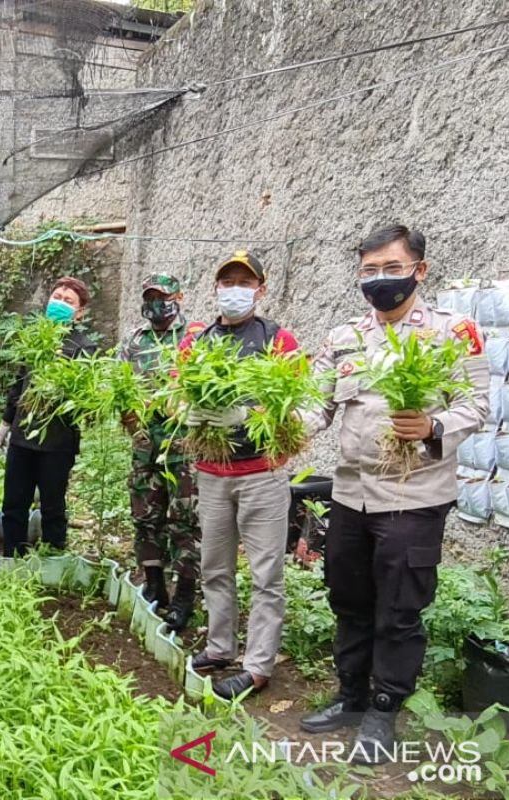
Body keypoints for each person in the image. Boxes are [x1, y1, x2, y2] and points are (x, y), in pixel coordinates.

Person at [299, 225, 489, 763]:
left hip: (414, 496)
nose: (379, 280)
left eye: (391, 268)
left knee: (400, 607)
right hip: (351, 494)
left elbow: (476, 406)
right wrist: (280, 429)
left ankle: (384, 712)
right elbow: (317, 405)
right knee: (348, 598)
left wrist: (431, 426)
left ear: (419, 271)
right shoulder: (343, 338)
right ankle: (350, 698)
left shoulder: (456, 333)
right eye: (369, 270)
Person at [179, 251, 299, 700]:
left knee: (267, 572)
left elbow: (293, 403)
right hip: (212, 473)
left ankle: (259, 666)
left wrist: (244, 414)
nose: (234, 288)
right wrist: (191, 412)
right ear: (216, 288)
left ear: (260, 290)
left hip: (262, 473)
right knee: (215, 566)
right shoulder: (198, 342)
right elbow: (177, 393)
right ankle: (219, 646)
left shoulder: (277, 340)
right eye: (227, 280)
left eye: (244, 282)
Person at [118, 273, 203, 632]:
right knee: (145, 515)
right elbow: (119, 389)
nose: (156, 303)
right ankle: (154, 586)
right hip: (145, 445)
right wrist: (132, 426)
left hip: (183, 445)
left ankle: (184, 594)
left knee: (184, 520)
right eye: (150, 296)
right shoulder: (134, 341)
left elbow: (204, 388)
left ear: (178, 297)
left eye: (163, 296)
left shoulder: (195, 338)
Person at [0, 277, 96, 557]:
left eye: (68, 301)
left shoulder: (83, 348)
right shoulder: (36, 339)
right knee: (14, 502)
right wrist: (6, 422)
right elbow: (19, 383)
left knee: (52, 505)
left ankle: (54, 559)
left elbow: (85, 397)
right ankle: (12, 556)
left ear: (79, 313)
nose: (59, 303)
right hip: (22, 437)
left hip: (58, 441)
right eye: (56, 297)